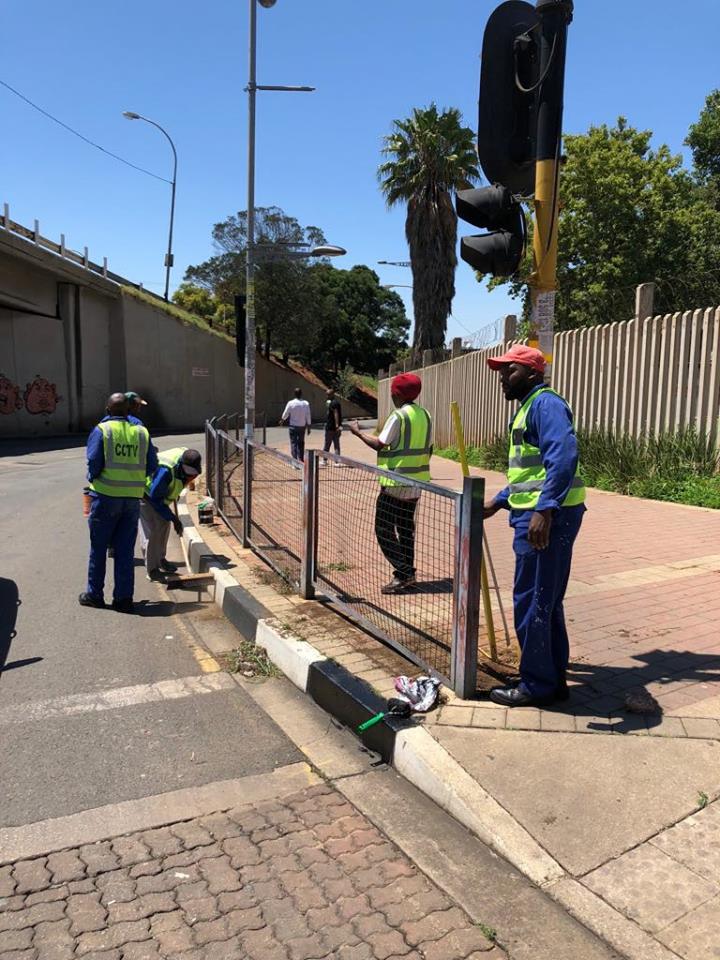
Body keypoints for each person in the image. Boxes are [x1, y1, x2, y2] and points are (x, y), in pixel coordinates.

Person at [484, 344, 586, 707]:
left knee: (532, 601)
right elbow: (533, 470)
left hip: (547, 519)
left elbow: (563, 455)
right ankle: (549, 678)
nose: (501, 377)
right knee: (545, 600)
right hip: (542, 513)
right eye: (501, 370)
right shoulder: (532, 406)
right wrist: (499, 501)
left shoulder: (545, 404)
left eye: (508, 370)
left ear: (531, 373)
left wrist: (545, 510)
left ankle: (538, 687)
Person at [348, 373, 432, 594]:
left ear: (397, 394)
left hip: (395, 482)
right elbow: (429, 448)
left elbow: (380, 444)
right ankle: (409, 575)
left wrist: (357, 433)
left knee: (383, 528)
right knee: (405, 528)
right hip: (416, 482)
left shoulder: (399, 416)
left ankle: (403, 572)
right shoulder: (425, 415)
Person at [80, 393, 157, 613]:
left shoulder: (102, 430)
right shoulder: (142, 432)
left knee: (99, 548)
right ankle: (123, 599)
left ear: (107, 411)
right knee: (124, 551)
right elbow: (152, 464)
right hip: (132, 500)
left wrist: (93, 477)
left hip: (104, 497)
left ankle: (95, 595)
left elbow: (94, 462)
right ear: (128, 412)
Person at [141, 448, 202, 580]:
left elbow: (181, 480)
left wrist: (175, 493)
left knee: (163, 525)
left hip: (158, 495)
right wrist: (174, 519)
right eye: (189, 474)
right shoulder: (166, 471)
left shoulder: (189, 459)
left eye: (194, 474)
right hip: (145, 493)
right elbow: (155, 498)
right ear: (182, 466)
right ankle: (152, 570)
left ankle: (161, 559)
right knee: (152, 531)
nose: (191, 477)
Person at [280, 388, 312, 463]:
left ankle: (294, 461)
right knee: (301, 443)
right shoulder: (306, 403)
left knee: (293, 443)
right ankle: (301, 459)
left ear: (294, 394)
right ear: (301, 394)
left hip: (293, 426)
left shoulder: (290, 403)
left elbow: (286, 413)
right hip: (302, 426)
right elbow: (308, 415)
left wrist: (282, 420)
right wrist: (309, 427)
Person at [321, 388, 342, 465]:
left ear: (332, 394)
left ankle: (325, 461)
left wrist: (336, 425)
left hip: (331, 428)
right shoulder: (335, 403)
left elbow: (336, 414)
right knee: (336, 445)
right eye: (326, 394)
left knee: (327, 444)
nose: (327, 396)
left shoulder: (333, 403)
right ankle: (337, 462)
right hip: (335, 427)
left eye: (328, 394)